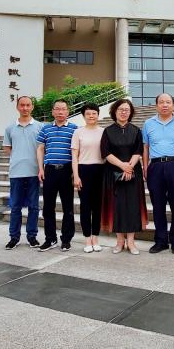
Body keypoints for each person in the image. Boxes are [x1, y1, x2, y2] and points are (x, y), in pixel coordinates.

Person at [141, 93, 174, 254]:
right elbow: (145, 147)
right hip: (155, 166)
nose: (165, 105)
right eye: (161, 102)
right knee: (158, 205)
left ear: (173, 105)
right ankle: (161, 241)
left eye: (168, 102)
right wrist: (145, 167)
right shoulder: (148, 123)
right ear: (156, 105)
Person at [100, 98, 147, 254]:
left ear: (130, 112)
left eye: (127, 110)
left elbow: (138, 151)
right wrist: (122, 166)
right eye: (121, 109)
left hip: (133, 173)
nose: (124, 112)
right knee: (117, 207)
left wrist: (129, 168)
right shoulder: (108, 131)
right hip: (113, 173)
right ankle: (120, 242)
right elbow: (105, 153)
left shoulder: (136, 130)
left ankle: (131, 243)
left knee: (133, 206)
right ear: (114, 111)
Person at [36, 99, 78, 252]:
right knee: (48, 207)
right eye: (57, 109)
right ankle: (50, 238)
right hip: (50, 171)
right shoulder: (46, 128)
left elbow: (77, 152)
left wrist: (75, 172)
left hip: (67, 171)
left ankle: (66, 239)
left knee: (68, 207)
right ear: (53, 111)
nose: (60, 112)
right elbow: (40, 149)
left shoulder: (75, 129)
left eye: (63, 109)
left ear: (68, 111)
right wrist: (41, 168)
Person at [3, 95, 42, 249]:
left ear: (32, 107)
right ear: (17, 107)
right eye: (22, 105)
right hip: (16, 172)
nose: (25, 108)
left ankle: (32, 236)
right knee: (15, 207)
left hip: (34, 171)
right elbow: (7, 148)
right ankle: (14, 237)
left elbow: (42, 148)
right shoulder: (10, 128)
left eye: (28, 105)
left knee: (34, 206)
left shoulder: (40, 127)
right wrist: (19, 157)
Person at [72, 102, 105, 253]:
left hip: (100, 170)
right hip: (83, 170)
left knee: (97, 207)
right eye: (88, 114)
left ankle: (95, 238)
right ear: (83, 116)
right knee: (85, 206)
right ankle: (87, 239)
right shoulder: (78, 132)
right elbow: (74, 156)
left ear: (98, 114)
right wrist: (76, 176)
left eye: (94, 113)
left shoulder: (104, 132)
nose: (91, 116)